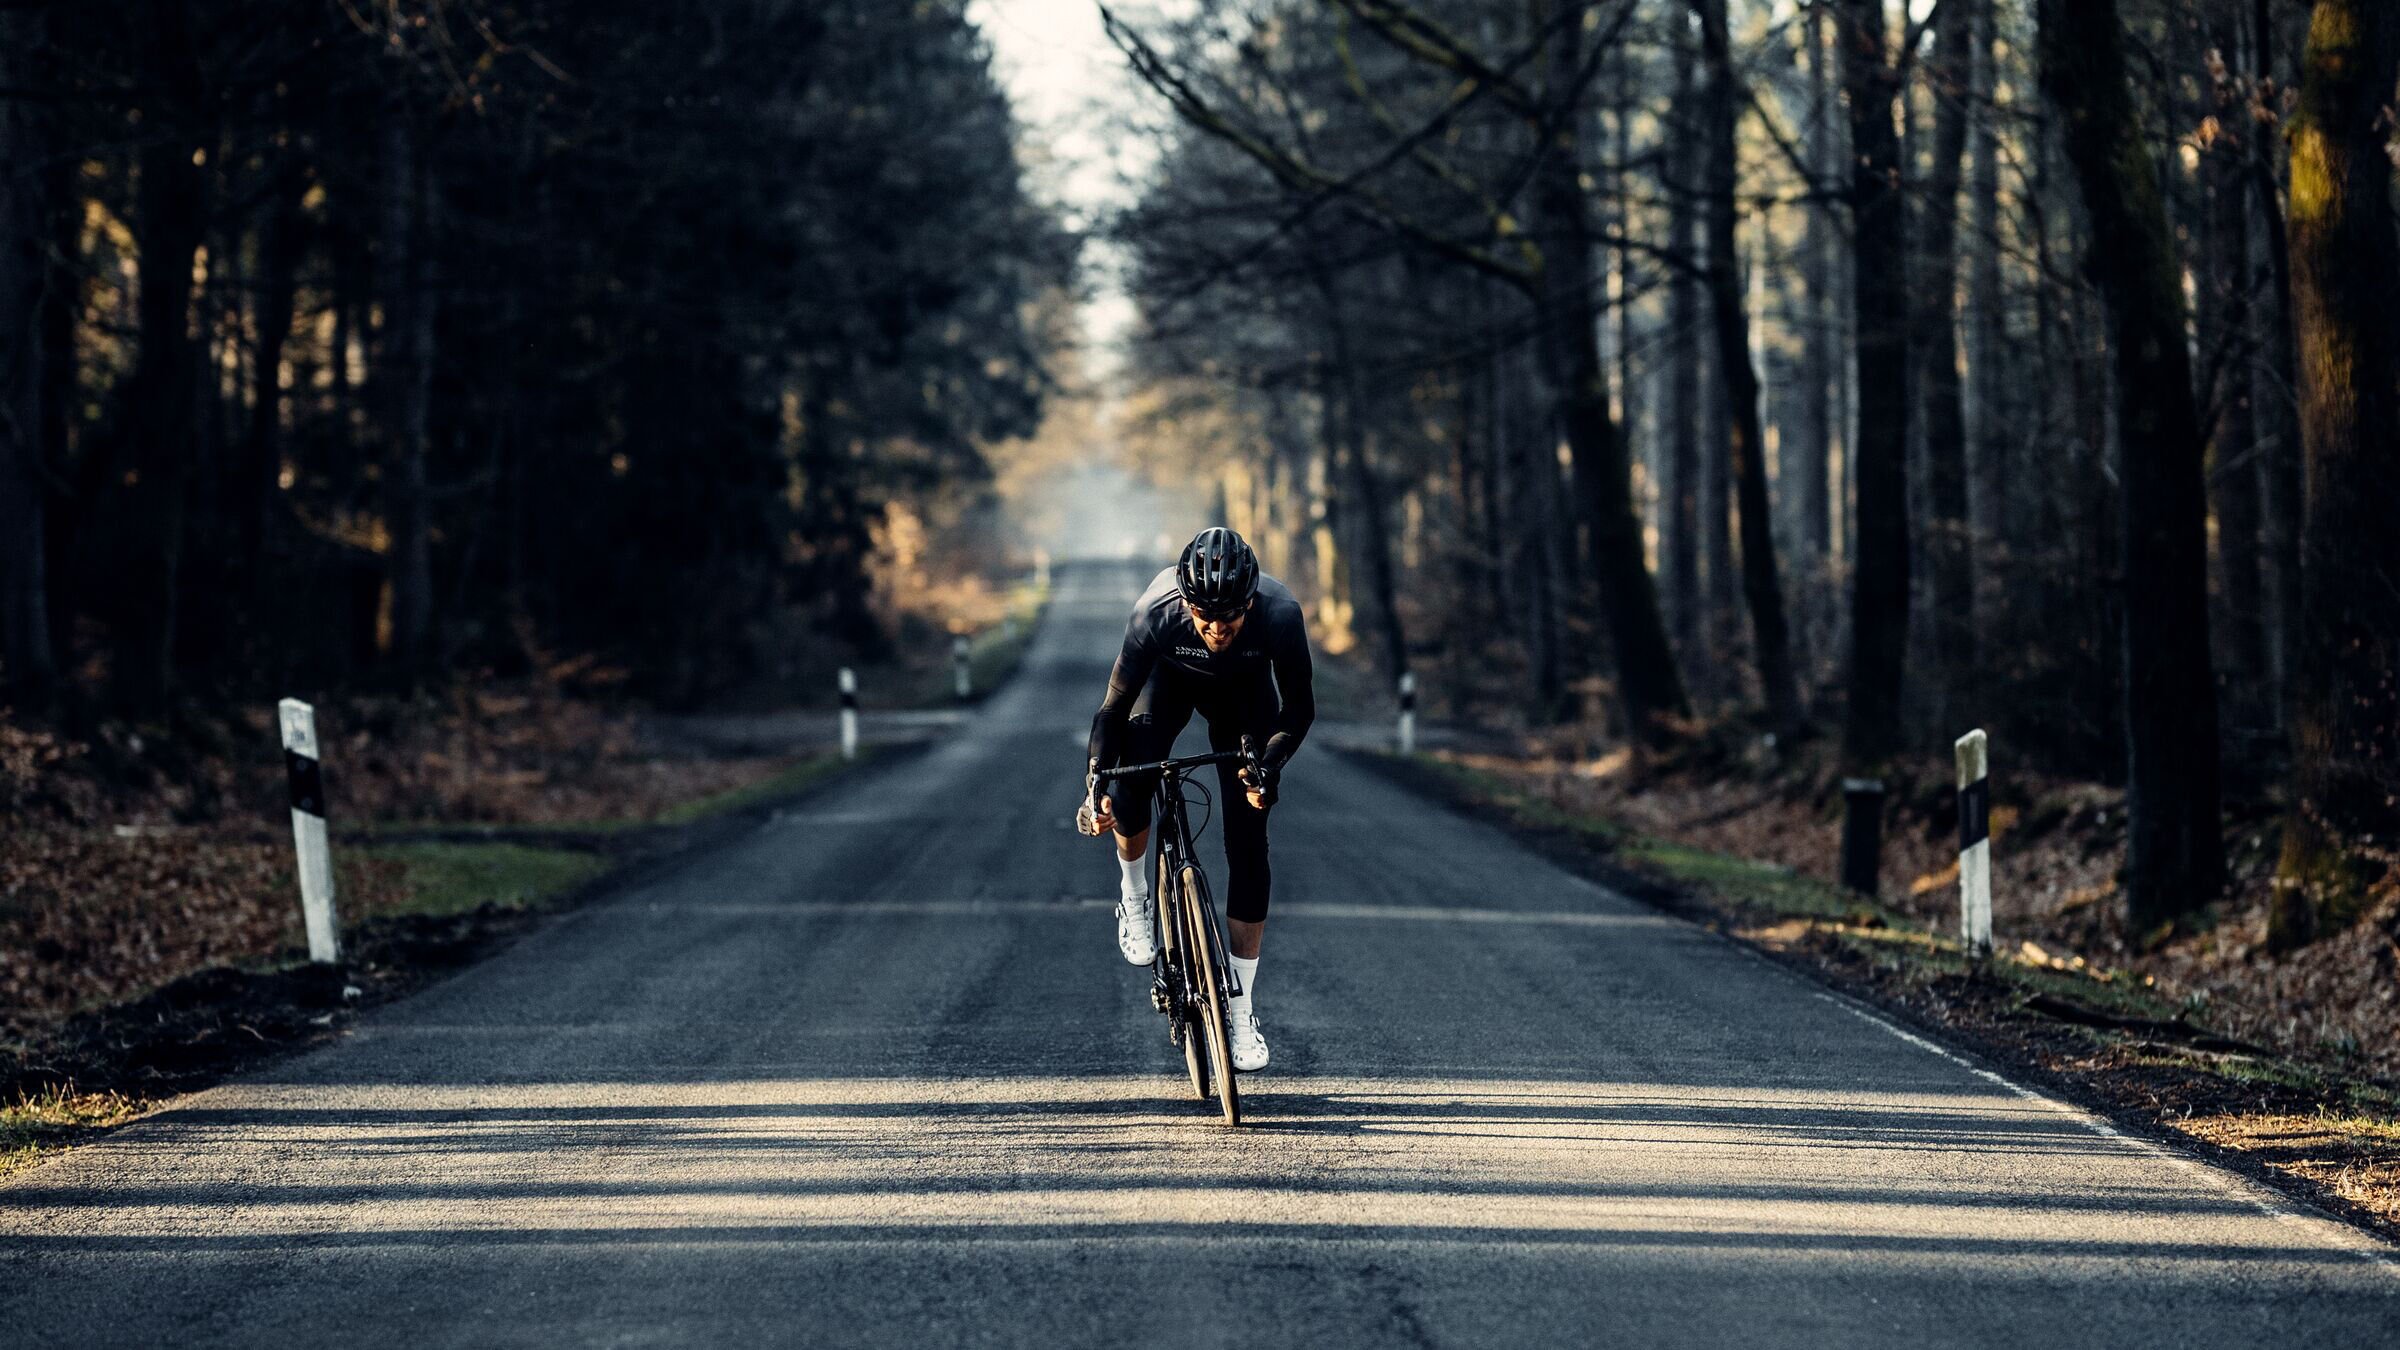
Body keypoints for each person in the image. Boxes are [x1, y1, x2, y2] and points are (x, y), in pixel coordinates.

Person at [1082, 527, 1314, 1072]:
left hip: (1244, 699)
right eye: (1204, 615)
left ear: (1250, 603)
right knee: (1130, 781)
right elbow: (1112, 711)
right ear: (1185, 603)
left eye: (1229, 617)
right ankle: (1134, 895)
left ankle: (1239, 1010)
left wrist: (1269, 767)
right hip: (1168, 684)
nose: (1216, 628)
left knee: (1249, 839)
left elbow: (1298, 711)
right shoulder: (1155, 614)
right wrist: (1095, 785)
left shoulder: (1280, 615)